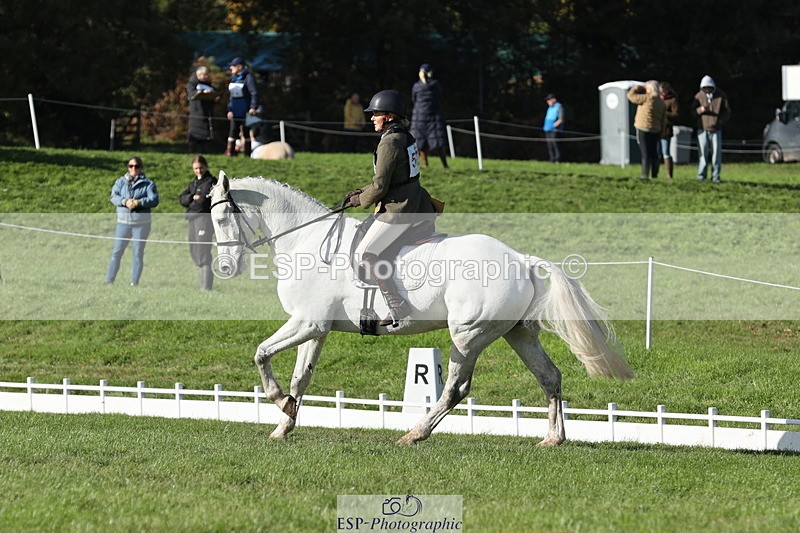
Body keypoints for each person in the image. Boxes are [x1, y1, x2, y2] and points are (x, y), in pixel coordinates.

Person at [348, 89, 437, 328]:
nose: (371, 118)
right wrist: (361, 191)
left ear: (388, 116)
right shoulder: (405, 136)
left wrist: (360, 200)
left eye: (375, 114)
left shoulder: (390, 142)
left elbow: (380, 186)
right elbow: (395, 178)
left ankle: (396, 304)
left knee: (364, 253)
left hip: (400, 209)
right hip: (416, 201)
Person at [106, 156, 160, 286]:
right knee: (116, 253)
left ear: (141, 168)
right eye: (131, 166)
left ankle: (134, 283)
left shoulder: (148, 184)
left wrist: (139, 203)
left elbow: (154, 199)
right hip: (123, 224)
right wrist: (125, 201)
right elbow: (113, 197)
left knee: (137, 254)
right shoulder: (120, 182)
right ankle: (109, 281)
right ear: (128, 167)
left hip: (141, 225)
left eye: (136, 166)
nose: (133, 168)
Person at [179, 155, 217, 291]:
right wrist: (192, 197)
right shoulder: (193, 183)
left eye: (200, 168)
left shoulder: (211, 182)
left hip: (204, 219)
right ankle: (202, 285)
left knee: (203, 251)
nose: (198, 171)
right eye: (195, 168)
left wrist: (192, 203)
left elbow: (203, 203)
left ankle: (206, 287)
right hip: (192, 219)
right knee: (194, 250)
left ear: (206, 167)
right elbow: (181, 199)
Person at [692, 75, 731, 183]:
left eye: (709, 87)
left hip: (716, 129)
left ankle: (715, 176)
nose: (707, 90)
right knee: (702, 154)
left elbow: (727, 112)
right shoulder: (699, 96)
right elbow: (693, 112)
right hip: (702, 129)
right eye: (705, 88)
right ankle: (701, 176)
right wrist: (700, 110)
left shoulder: (721, 96)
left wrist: (720, 122)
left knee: (716, 155)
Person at [410, 64, 448, 168]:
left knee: (421, 141)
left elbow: (414, 99)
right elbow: (441, 95)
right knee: (437, 141)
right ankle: (444, 165)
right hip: (433, 116)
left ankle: (425, 164)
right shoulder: (435, 85)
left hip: (419, 116)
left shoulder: (416, 86)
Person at [627, 80, 666, 179]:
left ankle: (645, 175)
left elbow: (630, 96)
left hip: (643, 128)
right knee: (654, 153)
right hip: (656, 130)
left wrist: (637, 87)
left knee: (645, 153)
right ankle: (654, 175)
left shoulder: (646, 98)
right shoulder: (661, 103)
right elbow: (663, 120)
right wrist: (662, 132)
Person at [225, 56, 259, 157]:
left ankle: (247, 154)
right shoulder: (233, 78)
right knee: (233, 131)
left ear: (239, 67)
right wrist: (230, 109)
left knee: (246, 132)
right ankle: (230, 153)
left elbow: (254, 93)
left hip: (246, 110)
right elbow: (231, 96)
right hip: (235, 110)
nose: (230, 68)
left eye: (233, 66)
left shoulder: (248, 77)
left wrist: (253, 107)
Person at [186, 65, 218, 153]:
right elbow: (192, 94)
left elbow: (215, 92)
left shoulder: (209, 85)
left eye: (206, 75)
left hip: (207, 113)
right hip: (196, 112)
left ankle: (204, 151)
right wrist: (201, 93)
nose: (205, 77)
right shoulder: (191, 84)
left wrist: (214, 97)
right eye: (203, 75)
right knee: (194, 133)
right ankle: (192, 150)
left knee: (205, 135)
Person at [658, 82, 680, 179]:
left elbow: (676, 114)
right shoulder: (657, 99)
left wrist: (665, 113)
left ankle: (669, 174)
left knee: (665, 152)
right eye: (661, 91)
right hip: (656, 128)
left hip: (666, 130)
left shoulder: (672, 100)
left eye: (664, 91)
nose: (662, 93)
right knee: (656, 152)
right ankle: (655, 173)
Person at [543, 93, 565, 163]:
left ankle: (558, 159)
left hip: (555, 130)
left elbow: (561, 119)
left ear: (554, 100)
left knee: (555, 145)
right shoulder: (550, 108)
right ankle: (551, 159)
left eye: (549, 100)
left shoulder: (559, 106)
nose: (547, 101)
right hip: (547, 129)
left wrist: (554, 125)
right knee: (549, 145)